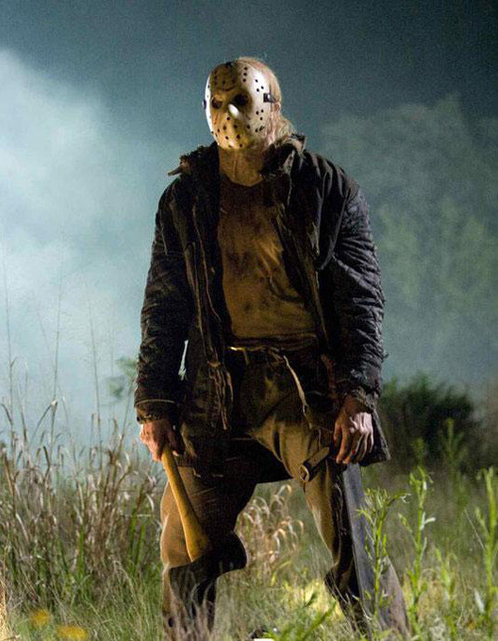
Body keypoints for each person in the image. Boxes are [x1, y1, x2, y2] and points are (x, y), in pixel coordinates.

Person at [136, 57, 409, 640]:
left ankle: (385, 635)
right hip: (216, 388)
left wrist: (358, 395)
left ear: (273, 105)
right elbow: (165, 305)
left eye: (243, 101)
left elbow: (360, 301)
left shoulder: (325, 189)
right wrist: (154, 403)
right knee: (185, 545)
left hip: (304, 387)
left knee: (352, 534)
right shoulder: (187, 199)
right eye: (219, 104)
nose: (231, 115)